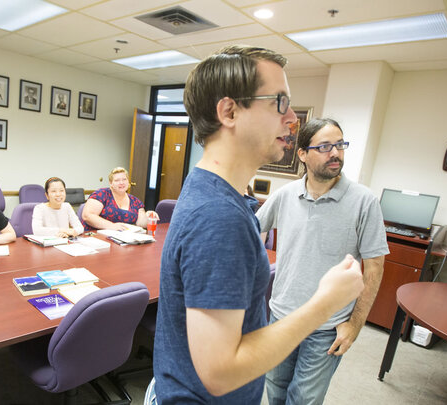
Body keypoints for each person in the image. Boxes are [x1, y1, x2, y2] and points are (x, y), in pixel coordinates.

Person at [150, 45, 364, 404]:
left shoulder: (212, 189)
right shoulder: (218, 217)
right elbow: (220, 373)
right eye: (279, 102)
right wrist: (325, 304)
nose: (293, 117)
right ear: (230, 111)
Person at [257, 117, 389, 404]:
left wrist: (354, 325)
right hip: (282, 316)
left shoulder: (365, 201)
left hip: (327, 327)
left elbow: (375, 269)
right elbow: (253, 229)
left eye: (340, 145)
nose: (336, 153)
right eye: (326, 146)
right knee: (275, 389)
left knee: (303, 399)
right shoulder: (286, 194)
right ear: (303, 154)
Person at [81, 167, 158, 232]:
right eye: (117, 180)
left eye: (124, 179)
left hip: (123, 240)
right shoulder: (101, 194)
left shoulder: (136, 201)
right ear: (111, 183)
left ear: (128, 182)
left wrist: (148, 216)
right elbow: (87, 216)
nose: (121, 183)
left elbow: (141, 223)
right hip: (96, 237)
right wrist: (112, 226)